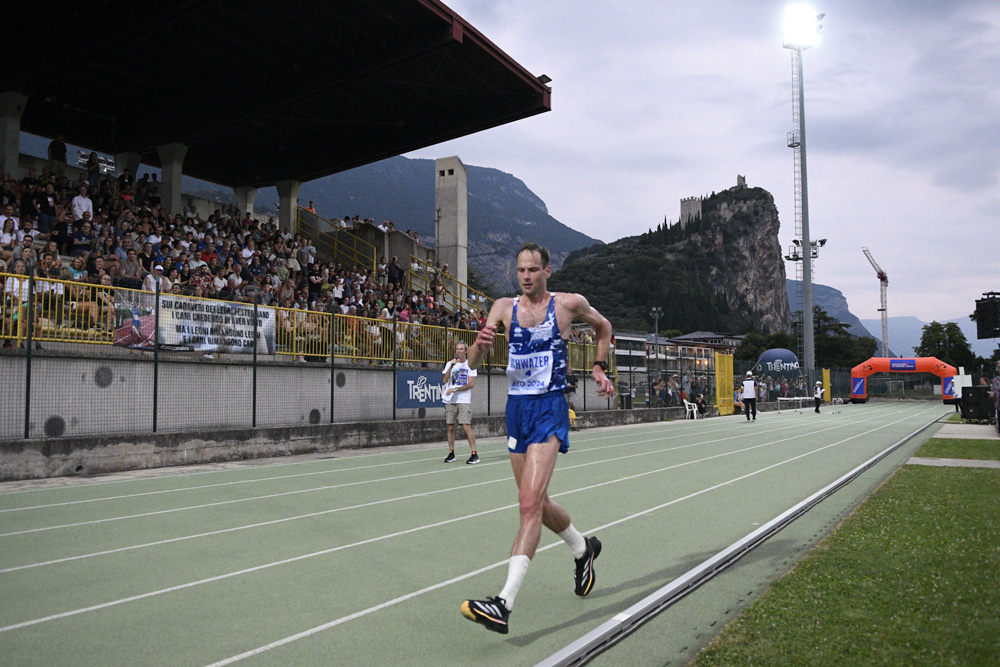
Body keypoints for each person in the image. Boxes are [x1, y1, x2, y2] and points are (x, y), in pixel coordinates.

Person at [460, 243, 613, 635]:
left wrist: (598, 366)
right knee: (538, 503)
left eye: (533, 269)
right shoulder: (501, 308)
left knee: (527, 503)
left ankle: (503, 604)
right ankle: (583, 549)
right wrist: (479, 349)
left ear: (547, 270)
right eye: (520, 270)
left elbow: (604, 327)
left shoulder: (567, 305)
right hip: (517, 411)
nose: (526, 276)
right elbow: (472, 365)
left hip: (549, 408)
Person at [441, 341, 479, 464]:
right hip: (450, 399)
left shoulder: (470, 365)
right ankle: (451, 453)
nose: (459, 351)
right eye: (457, 349)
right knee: (451, 426)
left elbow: (471, 384)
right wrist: (451, 366)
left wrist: (456, 389)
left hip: (463, 399)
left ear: (466, 351)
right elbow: (445, 380)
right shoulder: (450, 364)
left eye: (461, 349)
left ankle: (474, 454)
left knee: (465, 425)